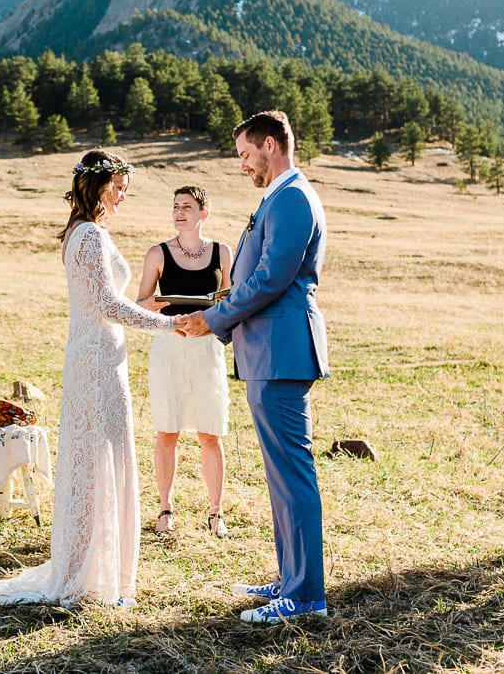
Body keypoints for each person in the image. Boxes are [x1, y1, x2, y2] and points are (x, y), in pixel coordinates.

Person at [0, 150, 180, 610]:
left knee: (105, 454)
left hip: (105, 357)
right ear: (99, 185)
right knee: (95, 458)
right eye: (119, 186)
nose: (124, 195)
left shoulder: (91, 233)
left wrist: (148, 310)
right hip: (95, 362)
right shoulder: (86, 235)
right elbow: (105, 305)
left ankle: (104, 569)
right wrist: (166, 324)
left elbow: (107, 301)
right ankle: (89, 572)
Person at [177, 110, 330, 624]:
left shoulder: (292, 198)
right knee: (280, 475)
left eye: (246, 154)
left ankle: (306, 594)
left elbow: (270, 278)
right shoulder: (279, 197)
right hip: (266, 349)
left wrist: (214, 317)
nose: (243, 165)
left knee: (293, 474)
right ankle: (291, 578)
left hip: (282, 351)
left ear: (270, 144)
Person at [136, 186, 233, 537]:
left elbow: (233, 300)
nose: (179, 212)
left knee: (211, 433)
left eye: (187, 207)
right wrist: (157, 307)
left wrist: (213, 318)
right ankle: (165, 509)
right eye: (175, 206)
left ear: (203, 214)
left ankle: (216, 513)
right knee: (167, 431)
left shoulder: (223, 252)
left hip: (207, 346)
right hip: (169, 346)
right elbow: (139, 303)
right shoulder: (157, 253)